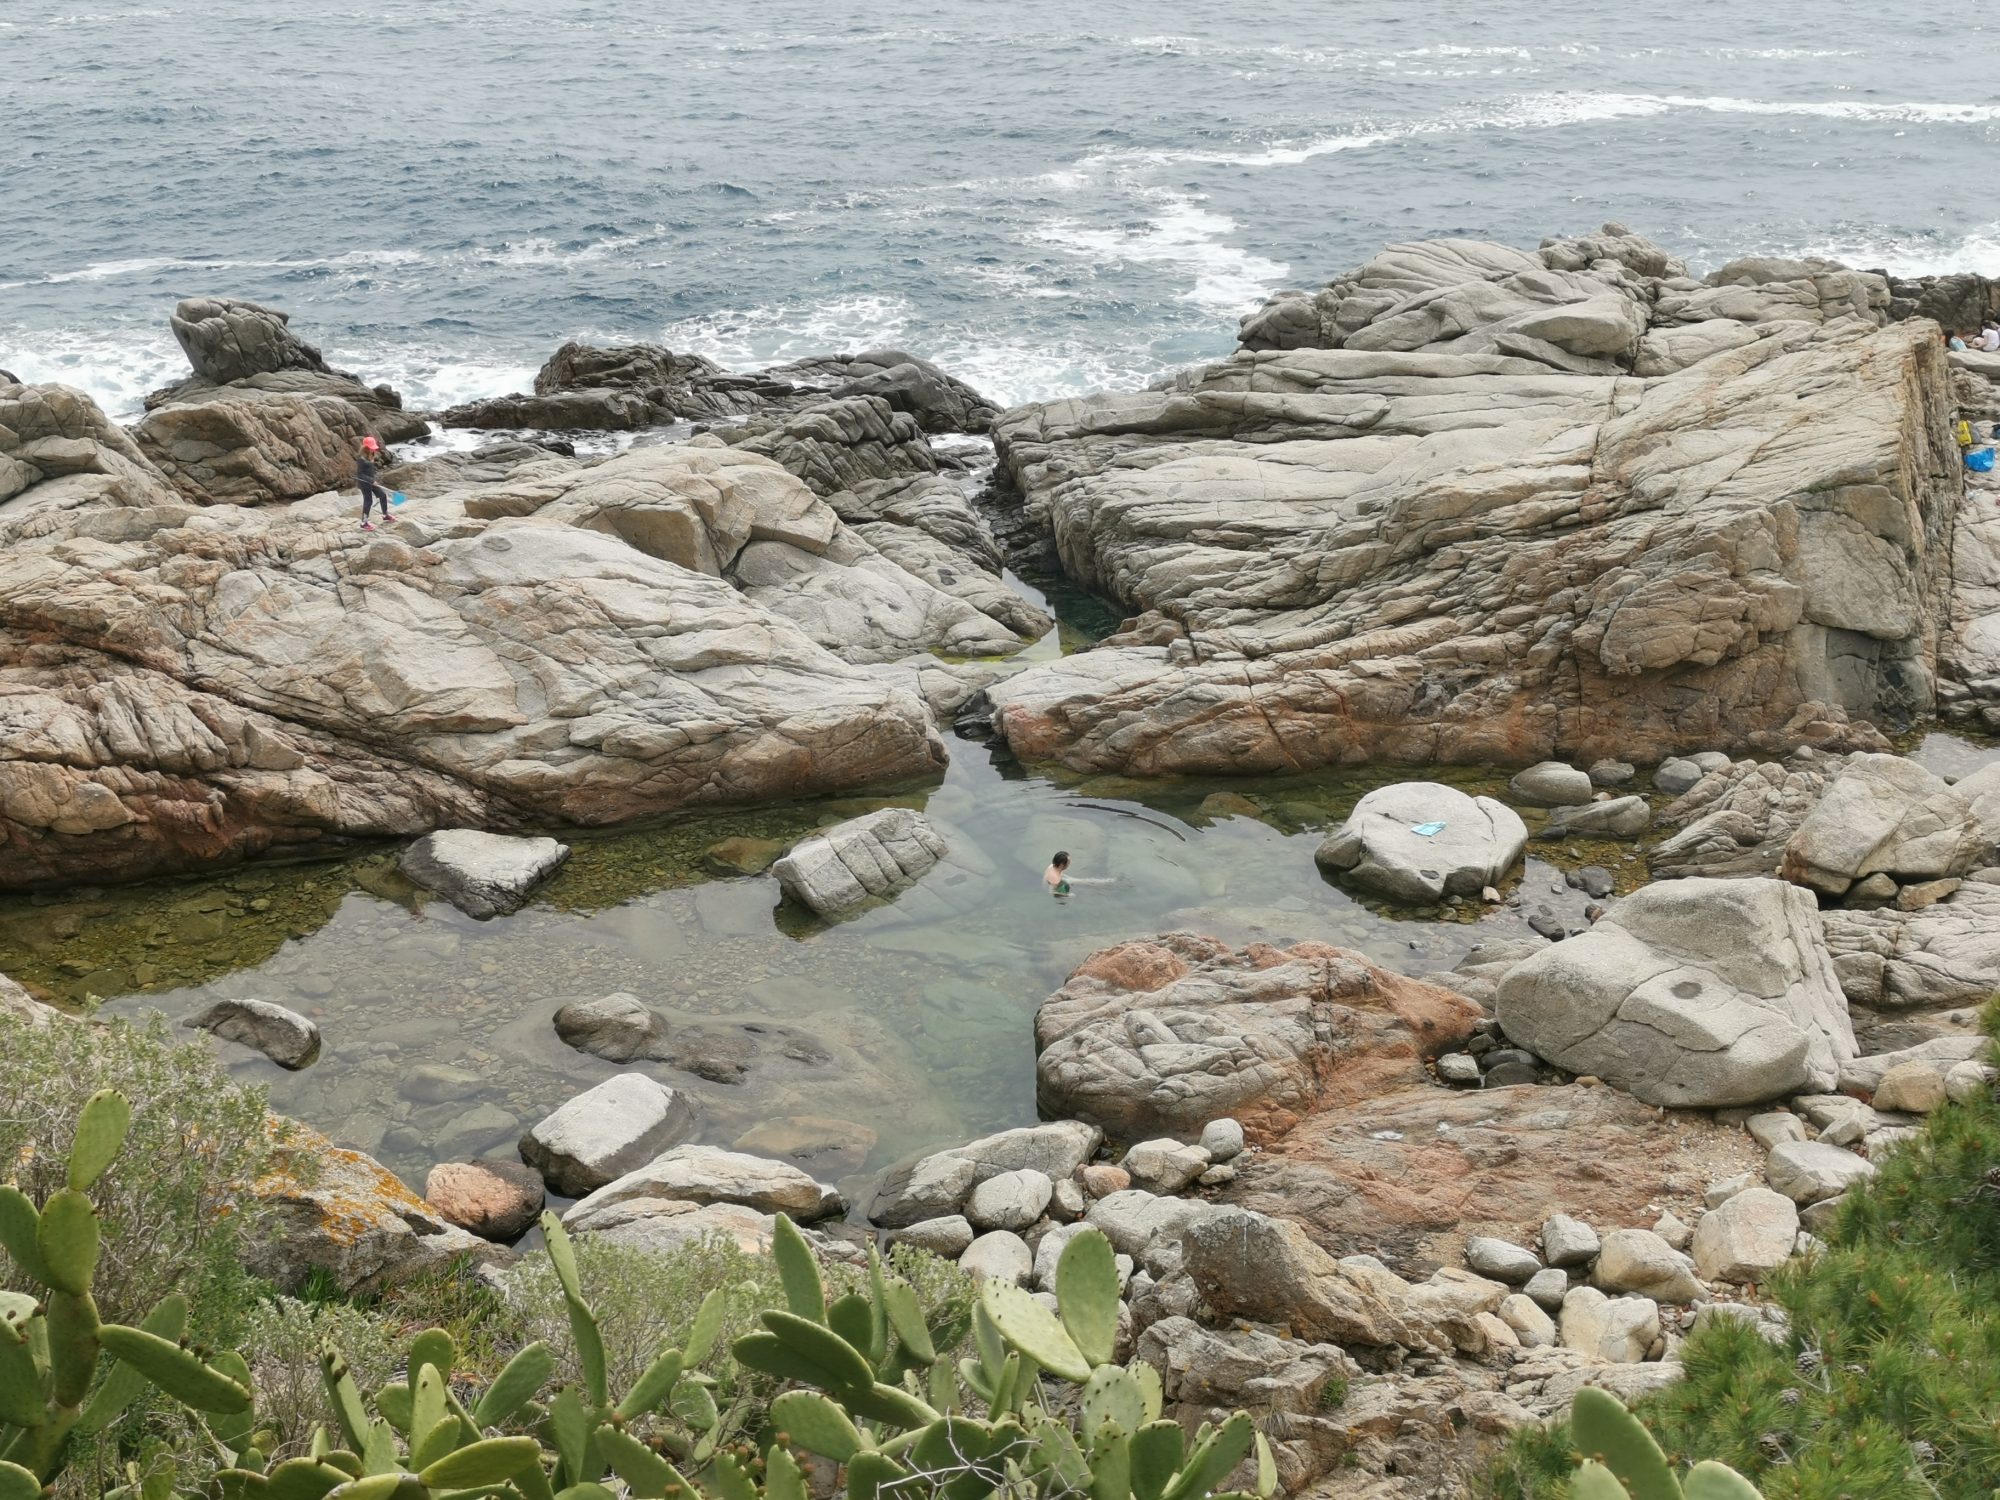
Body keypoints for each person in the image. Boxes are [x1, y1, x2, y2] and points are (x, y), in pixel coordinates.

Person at [356, 436, 391, 530]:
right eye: (371, 447)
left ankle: (385, 515)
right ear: (366, 448)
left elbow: (370, 471)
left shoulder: (371, 455)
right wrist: (371, 481)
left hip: (371, 482)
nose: (373, 449)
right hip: (364, 483)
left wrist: (373, 480)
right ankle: (364, 523)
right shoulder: (361, 460)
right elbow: (360, 475)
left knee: (383, 495)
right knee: (368, 501)